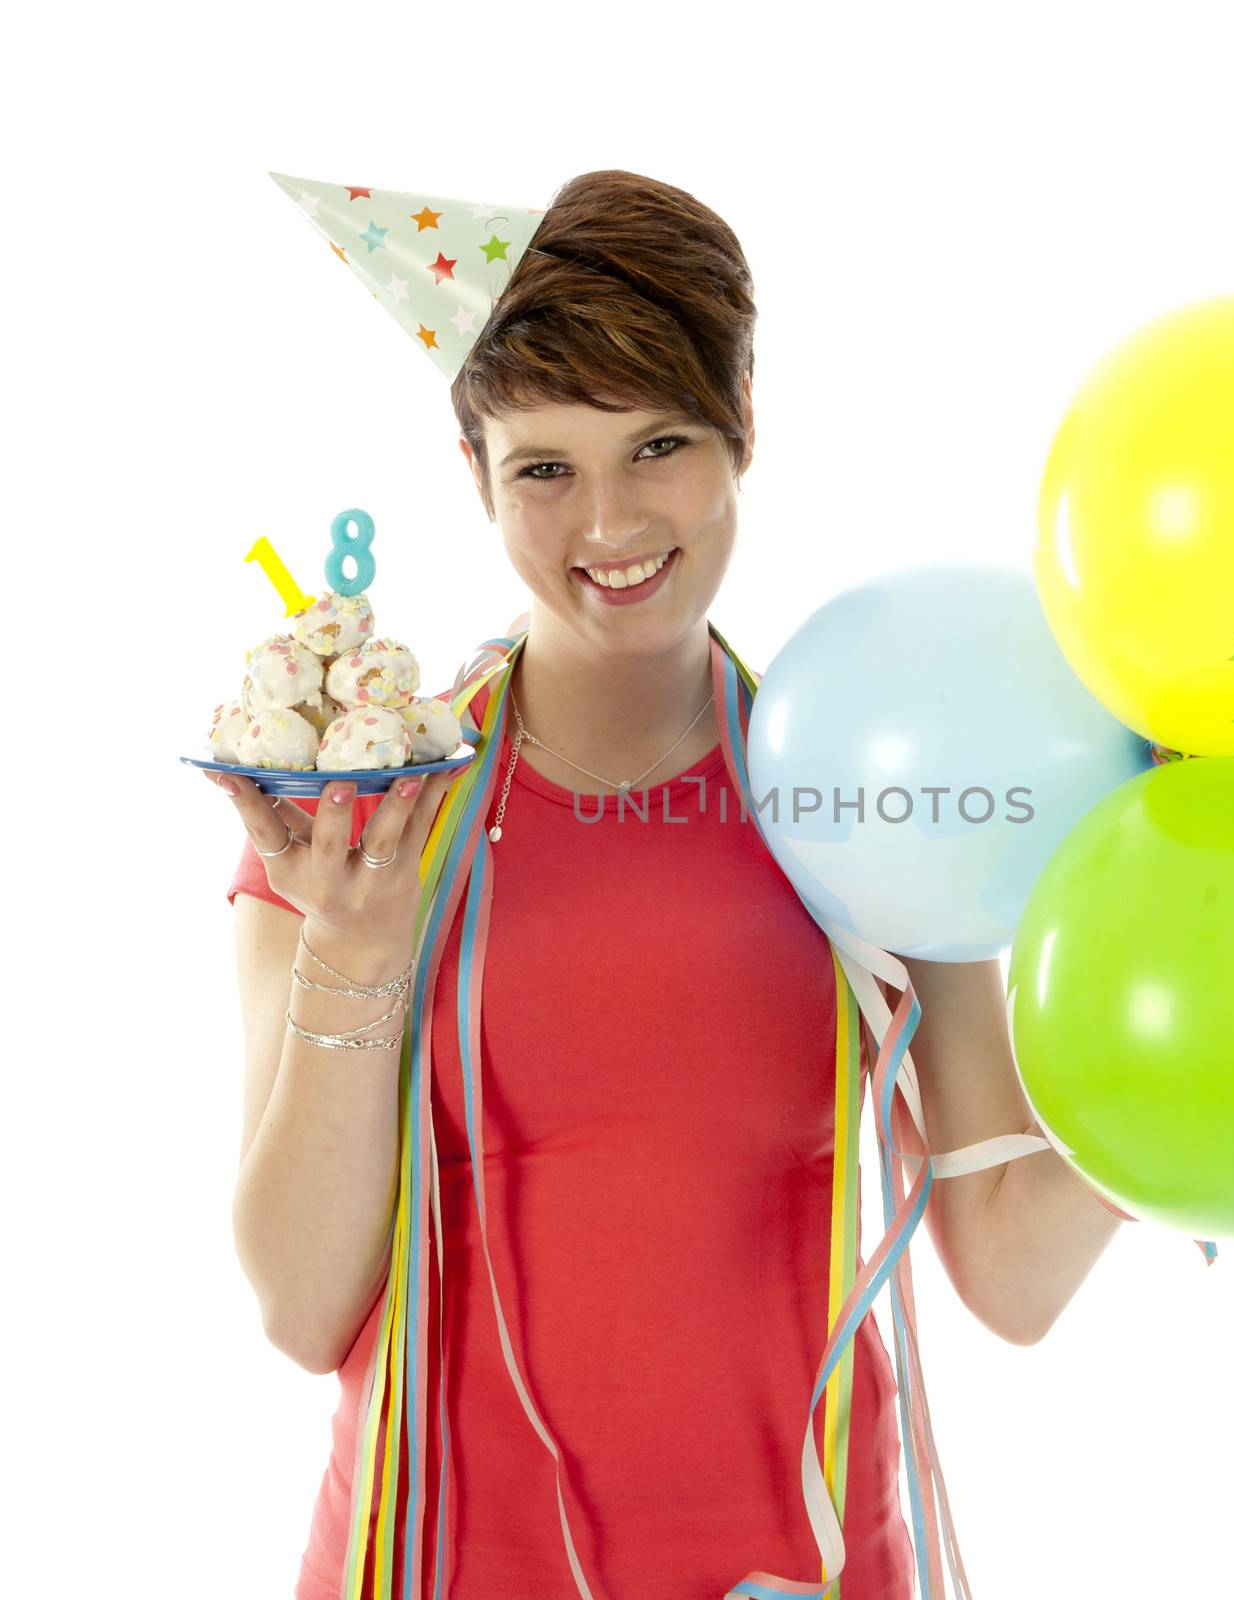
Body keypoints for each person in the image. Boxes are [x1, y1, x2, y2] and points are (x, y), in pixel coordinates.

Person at [207, 171, 924, 1599]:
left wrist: (1169, 879)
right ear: (472, 474)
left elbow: (1014, 1280)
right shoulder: (361, 819)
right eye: (545, 466)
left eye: (659, 445)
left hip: (803, 1569)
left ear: (744, 443)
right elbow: (300, 1307)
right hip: (430, 1567)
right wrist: (356, 942)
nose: (609, 520)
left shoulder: (872, 795)